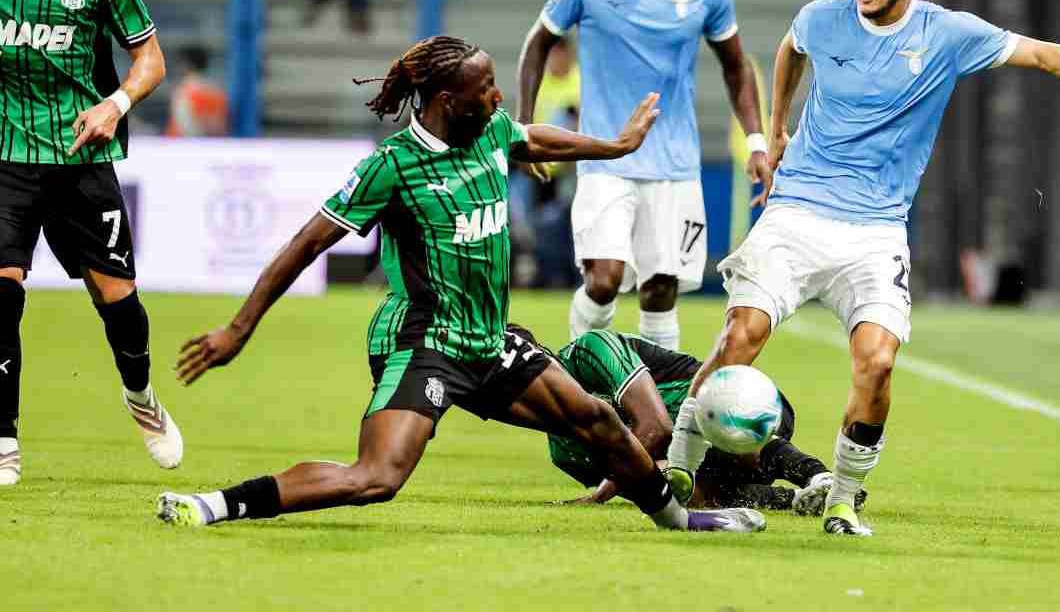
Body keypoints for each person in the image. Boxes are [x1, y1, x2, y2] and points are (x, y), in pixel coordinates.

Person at [156, 35, 764, 534]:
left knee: (597, 419)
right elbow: (305, 245)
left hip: (488, 339)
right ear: (448, 99)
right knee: (377, 478)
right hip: (424, 342)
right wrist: (238, 329)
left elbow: (531, 135)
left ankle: (679, 520)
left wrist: (616, 145)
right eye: (486, 88)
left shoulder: (488, 129)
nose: (498, 97)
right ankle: (213, 504)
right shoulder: (391, 166)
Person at [665, 0, 1060, 536]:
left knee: (878, 362)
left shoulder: (948, 34)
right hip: (799, 210)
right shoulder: (821, 17)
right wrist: (777, 129)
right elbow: (790, 49)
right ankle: (674, 471)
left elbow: (1039, 54)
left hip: (876, 229)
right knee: (739, 339)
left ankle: (841, 499)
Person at [517, 0, 771, 353]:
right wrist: (524, 127)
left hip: (674, 165)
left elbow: (736, 65)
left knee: (660, 290)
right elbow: (538, 45)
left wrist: (756, 140)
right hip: (605, 161)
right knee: (604, 280)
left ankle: (662, 402)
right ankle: (584, 372)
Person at [0, 0, 178, 486]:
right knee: (2, 291)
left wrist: (116, 104)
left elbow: (151, 59)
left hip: (82, 155)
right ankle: (3, 435)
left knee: (118, 299)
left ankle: (141, 397)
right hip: (6, 156)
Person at [505, 323, 866, 514]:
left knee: (711, 429)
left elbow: (656, 427)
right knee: (675, 487)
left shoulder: (588, 351)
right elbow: (641, 475)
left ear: (541, 356)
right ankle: (794, 502)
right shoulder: (563, 451)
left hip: (740, 405)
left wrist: (600, 497)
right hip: (696, 461)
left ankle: (818, 476)